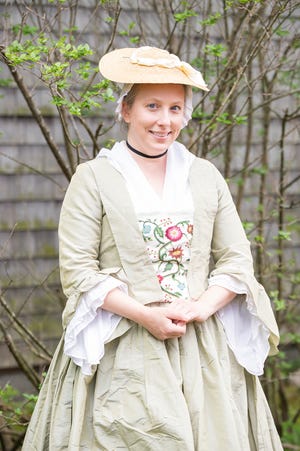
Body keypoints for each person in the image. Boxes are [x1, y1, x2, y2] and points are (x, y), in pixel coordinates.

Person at [22, 46, 283, 450]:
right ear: (126, 110)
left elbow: (236, 259)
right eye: (152, 106)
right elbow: (78, 271)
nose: (164, 120)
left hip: (202, 346)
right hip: (123, 343)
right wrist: (146, 315)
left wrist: (201, 307)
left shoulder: (205, 176)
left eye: (175, 108)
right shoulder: (93, 178)